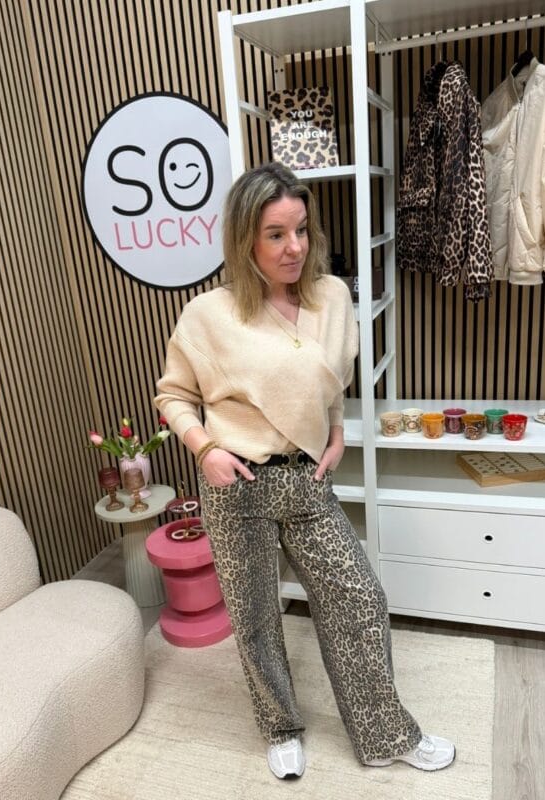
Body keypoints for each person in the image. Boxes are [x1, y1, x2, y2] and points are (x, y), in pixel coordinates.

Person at [155, 161, 455, 779]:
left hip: (308, 480)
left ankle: (383, 732)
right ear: (245, 239)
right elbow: (174, 395)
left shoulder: (332, 297)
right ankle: (280, 726)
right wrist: (205, 449)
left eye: (301, 230)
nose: (294, 247)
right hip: (238, 483)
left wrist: (338, 433)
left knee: (359, 598)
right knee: (255, 616)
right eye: (275, 234)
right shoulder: (208, 315)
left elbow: (331, 385)